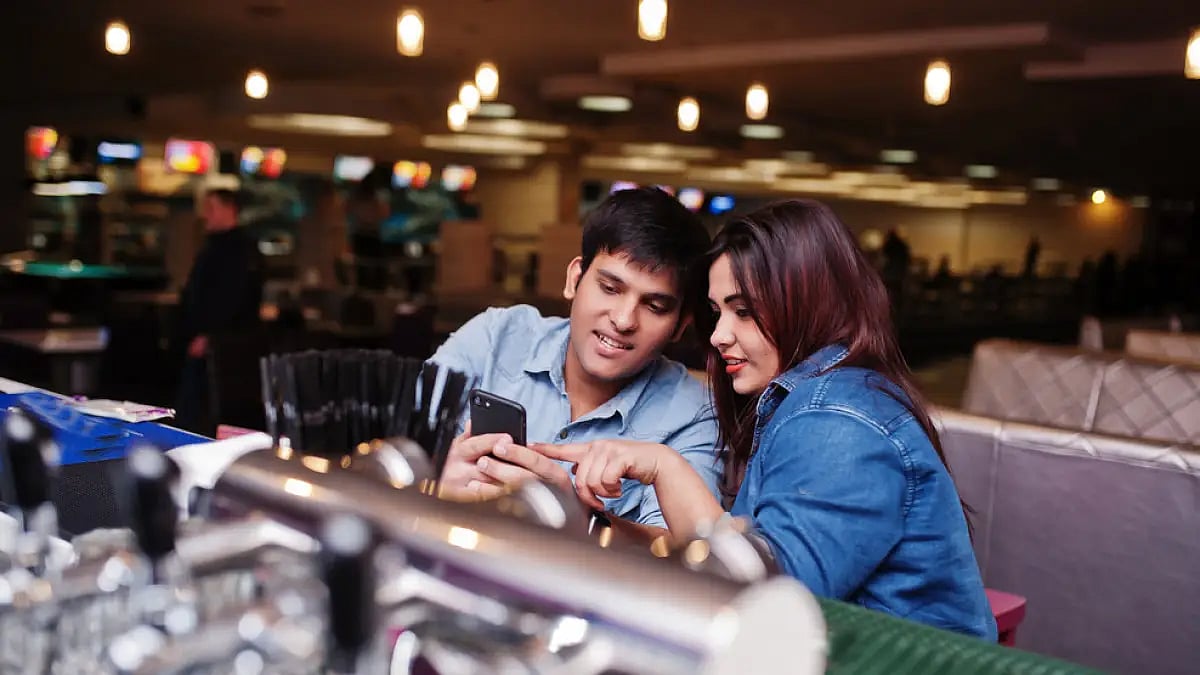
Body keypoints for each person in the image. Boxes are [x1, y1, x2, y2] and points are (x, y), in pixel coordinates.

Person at [539, 200, 996, 639]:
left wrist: (665, 466)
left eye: (744, 312)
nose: (718, 336)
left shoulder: (836, 419)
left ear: (806, 302)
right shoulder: (818, 399)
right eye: (718, 313)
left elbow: (764, 602)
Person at [429, 188, 721, 537]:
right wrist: (434, 483)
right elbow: (390, 442)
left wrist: (580, 520)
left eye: (654, 306)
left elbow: (685, 555)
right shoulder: (499, 338)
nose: (624, 319)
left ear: (680, 327)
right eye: (610, 288)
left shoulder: (694, 414)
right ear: (574, 279)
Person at [174, 189, 265, 435]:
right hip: (207, 341)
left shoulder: (239, 250)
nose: (206, 215)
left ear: (230, 210)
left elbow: (231, 298)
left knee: (205, 414)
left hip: (222, 347)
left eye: (211, 208)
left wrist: (210, 336)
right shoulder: (215, 246)